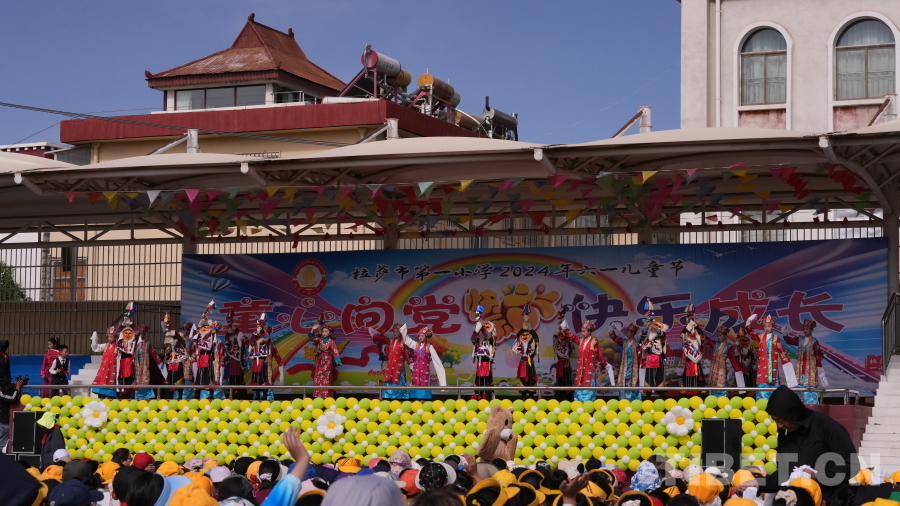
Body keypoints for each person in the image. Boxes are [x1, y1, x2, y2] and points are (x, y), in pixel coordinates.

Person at [766, 385, 858, 506]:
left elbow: (851, 465)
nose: (779, 425)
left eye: (781, 420)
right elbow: (783, 474)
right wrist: (758, 483)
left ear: (792, 414)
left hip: (829, 500)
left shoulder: (827, 427)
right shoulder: (785, 434)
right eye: (776, 421)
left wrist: (818, 476)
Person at [114, 302, 164, 400]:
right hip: (134, 366)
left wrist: (161, 365)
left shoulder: (147, 344)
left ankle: (146, 397)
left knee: (145, 380)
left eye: (143, 333)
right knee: (131, 380)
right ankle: (130, 396)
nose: (142, 335)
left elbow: (154, 355)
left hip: (144, 367)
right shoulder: (134, 343)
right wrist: (127, 319)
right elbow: (121, 333)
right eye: (141, 333)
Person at [559, 320, 615, 402]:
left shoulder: (594, 342)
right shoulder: (581, 341)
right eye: (582, 331)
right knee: (579, 385)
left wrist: (605, 364)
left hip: (589, 370)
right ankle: (578, 402)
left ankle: (588, 404)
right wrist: (565, 329)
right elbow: (572, 337)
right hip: (580, 369)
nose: (582, 333)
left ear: (589, 332)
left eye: (584, 331)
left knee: (588, 387)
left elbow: (599, 355)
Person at [745, 314, 791, 400]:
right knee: (762, 388)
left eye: (769, 326)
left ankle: (773, 405)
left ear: (772, 327)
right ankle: (761, 405)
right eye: (765, 326)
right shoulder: (760, 337)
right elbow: (750, 332)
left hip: (772, 368)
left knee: (773, 389)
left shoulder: (776, 338)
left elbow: (782, 353)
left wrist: (788, 370)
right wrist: (749, 321)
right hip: (762, 368)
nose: (767, 328)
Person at [783, 320, 825, 405]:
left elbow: (818, 356)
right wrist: (785, 334)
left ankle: (811, 407)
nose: (805, 331)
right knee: (799, 388)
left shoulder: (814, 341)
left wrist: (820, 371)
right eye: (804, 329)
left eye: (807, 329)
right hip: (801, 369)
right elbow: (789, 341)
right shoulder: (800, 339)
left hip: (810, 369)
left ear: (811, 330)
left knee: (809, 390)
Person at [402, 324, 447, 400]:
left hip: (424, 370)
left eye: (422, 336)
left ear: (426, 337)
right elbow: (407, 341)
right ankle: (416, 398)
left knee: (424, 384)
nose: (420, 337)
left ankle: (424, 399)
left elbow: (437, 361)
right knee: (415, 383)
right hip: (416, 370)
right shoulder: (416, 345)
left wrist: (442, 383)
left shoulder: (429, 346)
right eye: (419, 336)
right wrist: (403, 330)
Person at [369, 323, 410, 400]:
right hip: (390, 365)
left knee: (398, 380)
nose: (395, 333)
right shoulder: (391, 341)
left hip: (398, 366)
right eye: (394, 332)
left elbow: (407, 354)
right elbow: (383, 339)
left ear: (401, 333)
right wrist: (373, 335)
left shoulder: (403, 342)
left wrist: (411, 364)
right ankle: (387, 396)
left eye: (396, 332)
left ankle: (399, 397)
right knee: (388, 379)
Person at [190, 301, 221, 400]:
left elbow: (213, 327)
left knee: (209, 374)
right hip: (201, 356)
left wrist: (209, 319)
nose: (204, 329)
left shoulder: (212, 333)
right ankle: (197, 393)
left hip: (208, 356)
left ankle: (209, 394)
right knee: (200, 374)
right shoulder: (201, 332)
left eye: (207, 327)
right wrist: (205, 315)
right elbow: (200, 325)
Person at [162, 312, 192, 400]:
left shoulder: (190, 340)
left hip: (186, 363)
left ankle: (184, 398)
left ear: (189, 330)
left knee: (184, 381)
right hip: (175, 360)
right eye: (182, 328)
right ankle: (173, 397)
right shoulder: (179, 336)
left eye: (185, 329)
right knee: (173, 379)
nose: (183, 330)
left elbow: (188, 351)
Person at [609, 323, 642, 401]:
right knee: (624, 381)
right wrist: (612, 329)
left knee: (633, 382)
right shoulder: (624, 342)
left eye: (628, 332)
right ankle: (623, 400)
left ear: (632, 333)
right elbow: (615, 338)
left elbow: (641, 356)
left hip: (633, 367)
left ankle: (634, 401)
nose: (627, 333)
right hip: (624, 366)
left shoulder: (637, 344)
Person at [309, 318, 341, 399]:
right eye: (323, 331)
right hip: (320, 359)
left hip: (327, 360)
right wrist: (312, 329)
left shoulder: (331, 341)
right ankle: (318, 394)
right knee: (318, 375)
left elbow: (335, 351)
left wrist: (338, 360)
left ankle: (327, 395)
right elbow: (312, 338)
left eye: (326, 331)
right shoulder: (320, 340)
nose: (324, 333)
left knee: (326, 376)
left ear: (330, 333)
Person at [511, 319, 540, 399]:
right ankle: (523, 397)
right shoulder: (519, 343)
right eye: (523, 335)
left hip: (530, 364)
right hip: (523, 363)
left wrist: (530, 329)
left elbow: (536, 337)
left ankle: (531, 397)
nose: (525, 336)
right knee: (522, 379)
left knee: (531, 380)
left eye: (527, 334)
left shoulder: (533, 343)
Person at [220, 310, 245, 400]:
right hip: (230, 358)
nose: (229, 323)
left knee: (238, 377)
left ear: (233, 321)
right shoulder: (227, 334)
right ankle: (231, 394)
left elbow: (243, 344)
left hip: (237, 358)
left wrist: (240, 342)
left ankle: (240, 394)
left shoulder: (238, 332)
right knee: (231, 377)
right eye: (228, 321)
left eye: (230, 321)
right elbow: (226, 345)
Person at [470, 315, 497, 400]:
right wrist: (476, 330)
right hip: (479, 360)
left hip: (487, 360)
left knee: (486, 377)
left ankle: (487, 394)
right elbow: (472, 339)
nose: (485, 328)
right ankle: (478, 393)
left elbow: (488, 336)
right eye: (484, 326)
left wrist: (482, 327)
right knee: (479, 377)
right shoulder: (478, 337)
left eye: (487, 327)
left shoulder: (491, 337)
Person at [90, 325, 120, 399]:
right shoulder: (105, 345)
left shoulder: (118, 346)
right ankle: (102, 396)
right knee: (102, 381)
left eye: (111, 337)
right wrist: (94, 338)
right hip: (104, 369)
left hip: (112, 369)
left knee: (111, 382)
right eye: (108, 337)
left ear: (115, 337)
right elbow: (96, 347)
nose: (109, 338)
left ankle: (109, 396)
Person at [553, 309, 576, 401]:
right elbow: (555, 335)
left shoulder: (568, 341)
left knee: (568, 380)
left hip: (567, 364)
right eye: (560, 334)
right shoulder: (556, 342)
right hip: (561, 363)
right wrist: (560, 327)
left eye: (563, 334)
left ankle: (568, 396)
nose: (562, 335)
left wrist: (565, 329)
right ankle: (560, 396)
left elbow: (571, 347)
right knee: (560, 380)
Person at [681, 309, 705, 395]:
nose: (688, 322)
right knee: (688, 373)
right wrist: (688, 328)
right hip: (689, 356)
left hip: (695, 357)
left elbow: (701, 340)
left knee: (696, 373)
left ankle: (696, 391)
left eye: (689, 320)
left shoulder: (698, 331)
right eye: (687, 321)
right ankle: (689, 391)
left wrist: (695, 328)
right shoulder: (685, 332)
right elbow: (682, 336)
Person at [641, 321, 668, 395]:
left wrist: (654, 326)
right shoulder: (648, 336)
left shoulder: (661, 335)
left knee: (659, 377)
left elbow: (661, 333)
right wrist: (648, 326)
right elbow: (643, 335)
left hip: (659, 358)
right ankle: (648, 396)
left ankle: (661, 396)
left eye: (657, 326)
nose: (653, 328)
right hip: (650, 358)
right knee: (649, 378)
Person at [729, 325, 757, 394]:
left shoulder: (751, 347)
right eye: (739, 331)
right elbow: (735, 354)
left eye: (741, 330)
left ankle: (749, 395)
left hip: (749, 369)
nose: (740, 332)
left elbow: (754, 356)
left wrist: (748, 351)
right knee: (740, 387)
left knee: (749, 385)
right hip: (740, 369)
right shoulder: (737, 346)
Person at [708, 327, 734, 397]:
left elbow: (733, 358)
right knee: (713, 383)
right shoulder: (716, 344)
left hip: (721, 368)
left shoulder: (728, 346)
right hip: (714, 368)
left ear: (725, 336)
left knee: (721, 383)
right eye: (718, 336)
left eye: (720, 335)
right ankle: (713, 398)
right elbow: (707, 339)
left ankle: (722, 398)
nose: (719, 337)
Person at [0, 376, 24, 450]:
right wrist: (17, 389)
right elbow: (12, 398)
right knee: (2, 438)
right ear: (4, 387)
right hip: (3, 420)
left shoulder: (4, 390)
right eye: (8, 385)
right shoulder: (1, 394)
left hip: (5, 419)